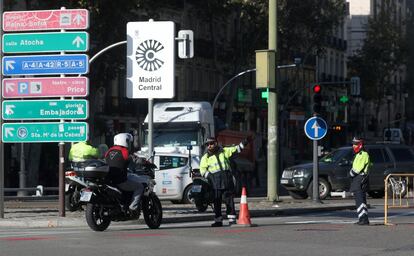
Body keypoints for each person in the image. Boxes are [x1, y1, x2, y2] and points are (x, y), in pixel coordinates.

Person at [200, 137, 248, 227]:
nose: (210, 145)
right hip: (215, 182)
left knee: (229, 200)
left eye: (212, 143)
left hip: (227, 180)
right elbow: (202, 170)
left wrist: (245, 142)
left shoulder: (224, 151)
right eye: (208, 144)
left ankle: (232, 220)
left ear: (216, 143)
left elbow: (236, 149)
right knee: (217, 201)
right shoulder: (205, 157)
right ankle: (218, 221)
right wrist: (210, 177)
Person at [104, 133, 144, 212]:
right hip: (120, 181)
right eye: (128, 141)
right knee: (140, 187)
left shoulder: (108, 151)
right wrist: (145, 162)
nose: (129, 144)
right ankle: (133, 207)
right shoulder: (124, 151)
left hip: (108, 180)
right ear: (125, 141)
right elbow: (136, 160)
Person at [349, 137, 371, 225]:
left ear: (360, 145)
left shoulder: (363, 154)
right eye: (353, 144)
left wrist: (350, 174)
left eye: (355, 144)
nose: (353, 146)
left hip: (360, 179)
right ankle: (362, 218)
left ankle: (364, 219)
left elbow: (356, 170)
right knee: (359, 200)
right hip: (358, 180)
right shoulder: (358, 154)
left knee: (360, 200)